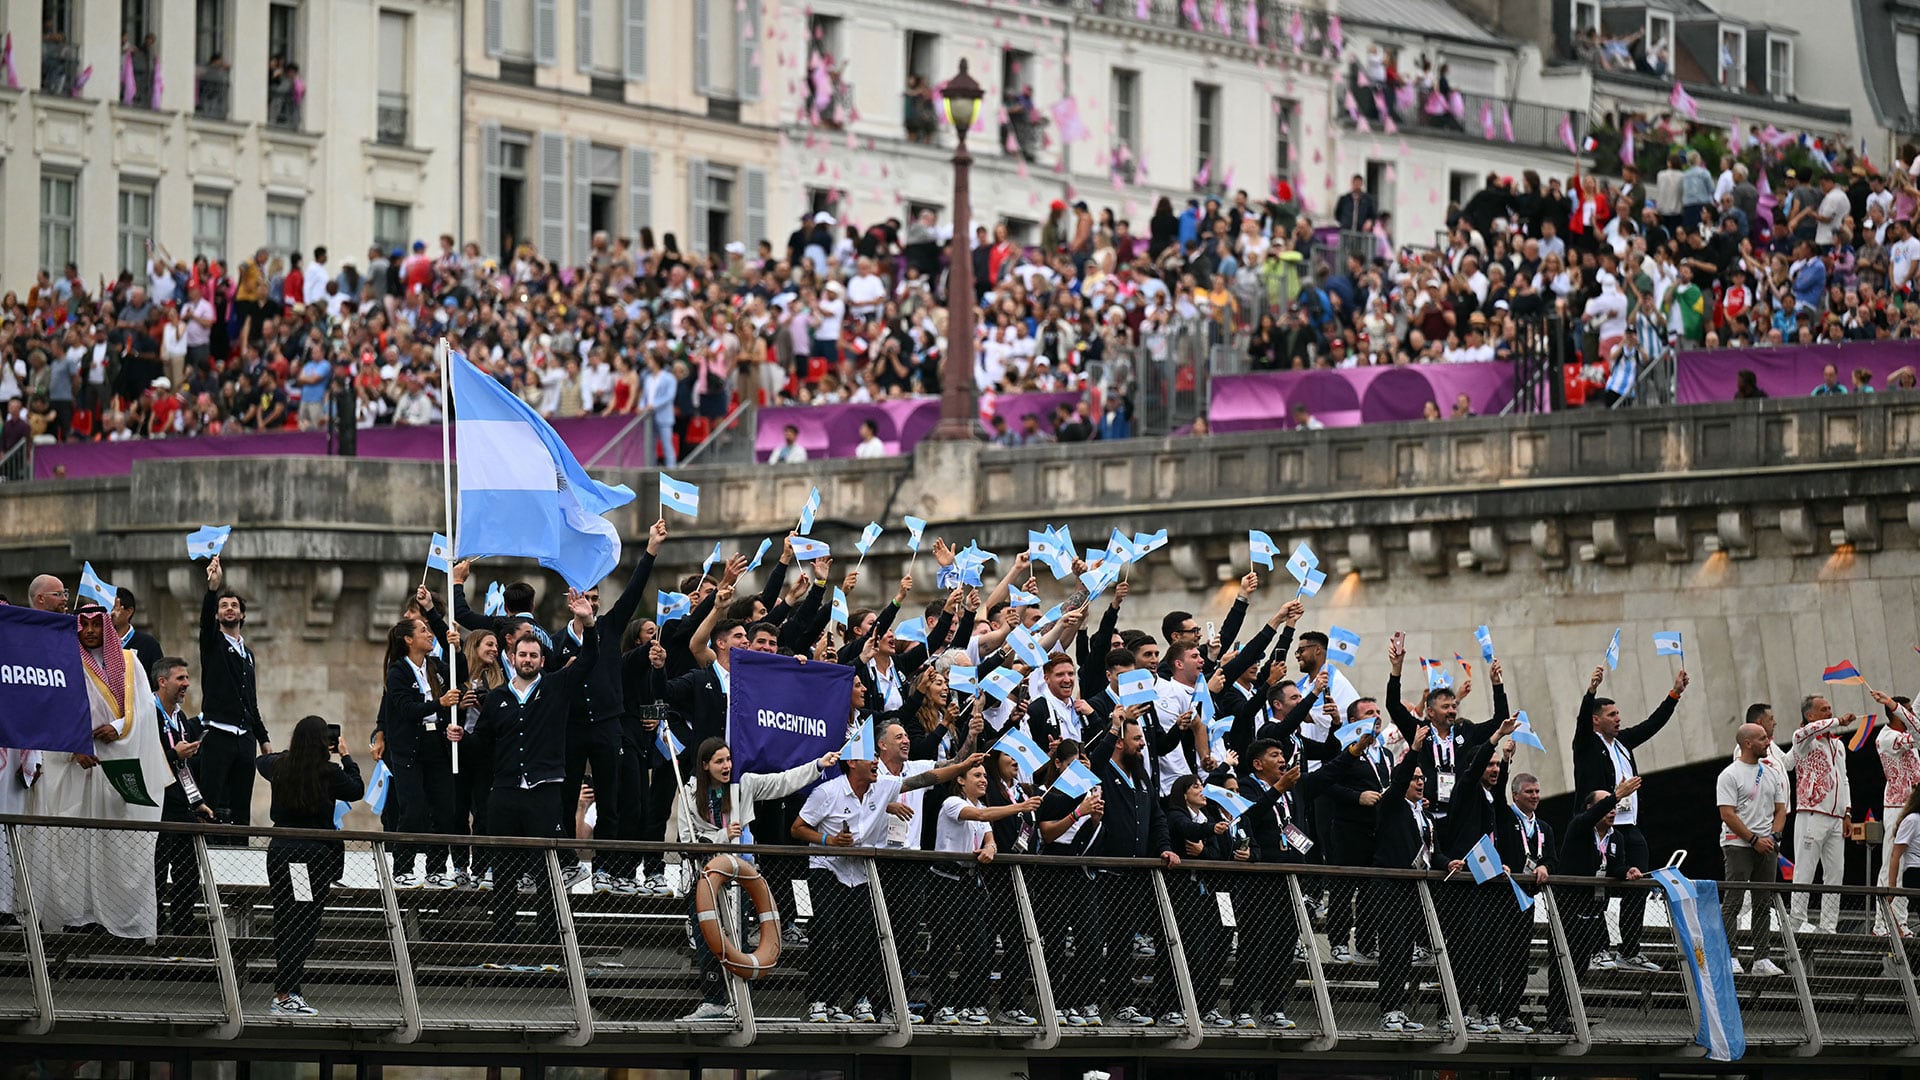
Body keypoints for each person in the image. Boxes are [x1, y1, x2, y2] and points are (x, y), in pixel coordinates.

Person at [792, 748, 982, 1024]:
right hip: (824, 869)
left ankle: (833, 1002)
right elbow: (797, 828)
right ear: (852, 763)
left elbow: (927, 778)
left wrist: (963, 764)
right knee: (824, 932)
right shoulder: (827, 792)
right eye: (870, 759)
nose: (875, 763)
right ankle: (817, 1002)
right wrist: (827, 841)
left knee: (856, 941)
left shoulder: (881, 787)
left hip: (860, 874)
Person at [19, 606, 172, 938]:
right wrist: (75, 744)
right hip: (76, 766)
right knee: (72, 842)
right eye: (83, 624)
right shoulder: (63, 662)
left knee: (116, 843)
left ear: (107, 626)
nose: (89, 631)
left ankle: (116, 920)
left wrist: (119, 727)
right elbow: (50, 708)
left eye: (95, 624)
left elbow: (146, 711)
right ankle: (76, 918)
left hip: (117, 765)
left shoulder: (131, 663)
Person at [666, 737, 842, 1022]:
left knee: (739, 941)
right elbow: (687, 840)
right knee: (706, 939)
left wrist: (817, 765)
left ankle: (739, 1001)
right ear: (705, 765)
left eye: (728, 759)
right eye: (719, 761)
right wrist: (725, 836)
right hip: (704, 880)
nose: (727, 766)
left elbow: (781, 782)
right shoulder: (688, 794)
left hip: (739, 879)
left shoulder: (742, 785)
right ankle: (713, 1000)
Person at [466, 589, 599, 943]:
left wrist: (587, 621)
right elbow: (480, 744)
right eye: (522, 654)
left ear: (542, 659)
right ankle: (505, 935)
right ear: (512, 656)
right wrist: (458, 737)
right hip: (505, 791)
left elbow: (589, 660)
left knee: (546, 867)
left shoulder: (556, 687)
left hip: (544, 789)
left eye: (534, 655)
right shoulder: (496, 699)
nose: (528, 659)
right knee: (505, 868)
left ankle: (547, 936)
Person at [1572, 662, 1686, 971]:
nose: (1618, 719)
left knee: (1638, 883)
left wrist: (1674, 694)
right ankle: (1595, 949)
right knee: (1599, 890)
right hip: (1600, 826)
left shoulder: (1622, 743)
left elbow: (1651, 725)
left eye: (1618, 714)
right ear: (1596, 720)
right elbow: (1582, 723)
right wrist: (1590, 691)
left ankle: (1630, 948)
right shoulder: (1586, 744)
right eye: (1611, 715)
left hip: (1628, 825)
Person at [255, 715, 364, 1015]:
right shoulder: (328, 772)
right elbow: (356, 788)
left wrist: (295, 752)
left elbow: (262, 761)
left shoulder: (280, 767)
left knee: (285, 918)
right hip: (308, 858)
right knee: (303, 921)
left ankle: (290, 989)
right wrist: (346, 755)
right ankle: (285, 993)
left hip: (280, 853)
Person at [926, 756, 1043, 1025]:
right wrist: (1020, 807)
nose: (982, 780)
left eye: (984, 776)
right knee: (943, 945)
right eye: (976, 775)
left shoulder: (981, 805)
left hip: (971, 882)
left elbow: (989, 837)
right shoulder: (953, 803)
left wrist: (990, 848)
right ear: (960, 779)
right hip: (946, 879)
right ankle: (942, 1006)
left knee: (979, 945)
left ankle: (969, 1004)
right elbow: (979, 816)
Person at [377, 594, 465, 888]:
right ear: (408, 640)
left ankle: (437, 867)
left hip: (436, 746)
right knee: (412, 808)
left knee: (443, 809)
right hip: (409, 749)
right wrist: (439, 704)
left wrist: (449, 637)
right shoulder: (398, 671)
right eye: (423, 631)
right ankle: (403, 867)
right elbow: (406, 709)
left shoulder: (435, 665)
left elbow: (460, 671)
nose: (429, 635)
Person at [1543, 777, 1643, 1034]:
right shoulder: (1579, 827)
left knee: (1580, 964)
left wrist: (1627, 871)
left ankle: (1566, 1011)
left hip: (1594, 909)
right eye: (1606, 805)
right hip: (1567, 907)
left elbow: (1615, 866)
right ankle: (1554, 1015)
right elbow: (1588, 819)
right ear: (1591, 809)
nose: (1612, 810)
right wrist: (1617, 795)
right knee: (1562, 962)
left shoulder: (1616, 837)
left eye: (1614, 806)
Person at [197, 555, 271, 834]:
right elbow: (204, 625)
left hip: (244, 739)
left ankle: (240, 853)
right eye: (224, 606)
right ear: (217, 614)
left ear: (242, 614)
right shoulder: (213, 644)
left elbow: (250, 699)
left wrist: (262, 737)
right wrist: (212, 590)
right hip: (218, 732)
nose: (229, 609)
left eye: (234, 605)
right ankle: (205, 854)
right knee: (211, 800)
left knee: (241, 804)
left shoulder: (247, 654)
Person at [1372, 724, 1433, 1032]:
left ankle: (1400, 1008)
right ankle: (1389, 1009)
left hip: (1414, 888)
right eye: (1414, 778)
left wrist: (1450, 862)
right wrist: (1415, 752)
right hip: (1390, 887)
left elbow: (1430, 849)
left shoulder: (1422, 813)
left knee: (1406, 950)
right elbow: (1396, 786)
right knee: (1393, 947)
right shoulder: (1392, 805)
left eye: (1422, 778)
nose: (1419, 782)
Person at [1717, 721, 1789, 976]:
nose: (1767, 742)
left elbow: (1780, 809)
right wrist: (1753, 839)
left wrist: (1774, 836)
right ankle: (1730, 955)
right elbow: (1727, 814)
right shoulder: (1729, 774)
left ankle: (1762, 958)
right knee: (1733, 901)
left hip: (1766, 845)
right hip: (1738, 845)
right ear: (1747, 743)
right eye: (1761, 738)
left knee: (1762, 901)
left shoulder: (1770, 773)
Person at [153, 656, 214, 936]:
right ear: (162, 681)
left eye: (187, 678)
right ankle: (154, 923)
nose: (186, 684)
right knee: (155, 869)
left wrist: (197, 800)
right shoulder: (147, 713)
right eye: (180, 678)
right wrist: (172, 754)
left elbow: (184, 768)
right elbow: (143, 758)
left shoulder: (181, 718)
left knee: (188, 871)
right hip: (155, 803)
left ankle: (183, 924)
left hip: (180, 803)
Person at [1786, 694, 1856, 934]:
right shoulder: (1802, 740)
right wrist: (1837, 720)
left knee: (1835, 874)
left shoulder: (1837, 745)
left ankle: (1828, 928)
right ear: (1810, 715)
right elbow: (1806, 732)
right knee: (1804, 871)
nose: (1829, 712)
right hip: (1812, 815)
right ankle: (1795, 926)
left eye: (1830, 708)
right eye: (1824, 710)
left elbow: (1844, 779)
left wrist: (1847, 812)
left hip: (1836, 819)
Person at [1871, 691, 1919, 934]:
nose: (1913, 716)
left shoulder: (1903, 733)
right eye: (1908, 712)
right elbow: (1917, 732)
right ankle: (1883, 924)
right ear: (1897, 714)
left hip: (1913, 809)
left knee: (1908, 866)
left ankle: (1899, 921)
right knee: (1891, 865)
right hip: (1897, 808)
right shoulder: (1887, 738)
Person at [111, 586, 165, 679]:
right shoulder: (100, 644)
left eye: (114, 608)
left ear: (129, 612)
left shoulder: (149, 644)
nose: (109, 613)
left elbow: (159, 682)